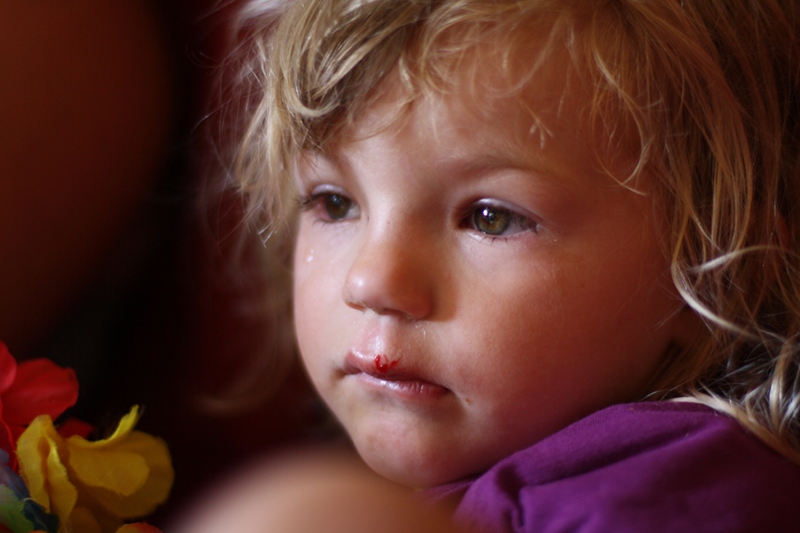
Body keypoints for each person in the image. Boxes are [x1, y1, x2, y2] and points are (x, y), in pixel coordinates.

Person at [178, 0, 800, 531]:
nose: (370, 282)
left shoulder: (672, 496)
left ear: (719, 276)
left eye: (490, 218)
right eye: (334, 203)